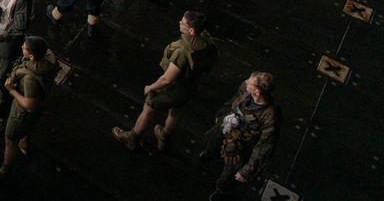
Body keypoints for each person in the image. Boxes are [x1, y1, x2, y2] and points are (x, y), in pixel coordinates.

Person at [112, 11, 218, 152]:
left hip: (172, 89)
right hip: (189, 87)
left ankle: (132, 137)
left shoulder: (182, 51)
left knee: (148, 110)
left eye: (183, 23)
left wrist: (151, 87)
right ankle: (164, 136)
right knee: (175, 112)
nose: (179, 24)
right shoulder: (206, 40)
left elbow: (167, 79)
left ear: (191, 30)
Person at [0, 36, 58, 182]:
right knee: (31, 124)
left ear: (31, 56)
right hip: (41, 102)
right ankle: (25, 141)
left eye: (24, 48)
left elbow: (30, 107)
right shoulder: (49, 58)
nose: (22, 47)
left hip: (22, 112)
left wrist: (11, 90)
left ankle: (5, 171)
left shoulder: (30, 79)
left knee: (10, 139)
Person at [200, 72, 281, 201]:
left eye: (250, 81)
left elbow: (265, 146)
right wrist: (221, 114)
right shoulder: (245, 89)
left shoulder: (270, 117)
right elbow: (234, 100)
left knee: (229, 174)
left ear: (257, 92)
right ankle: (211, 152)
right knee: (213, 141)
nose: (246, 81)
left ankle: (222, 190)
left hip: (241, 145)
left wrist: (247, 170)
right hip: (227, 127)